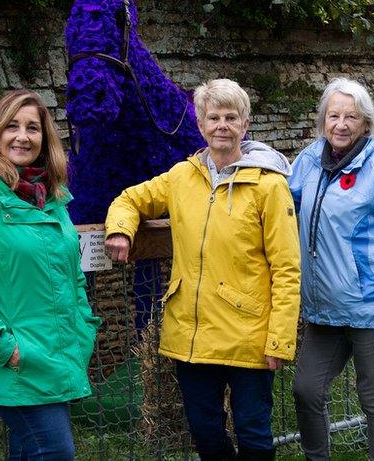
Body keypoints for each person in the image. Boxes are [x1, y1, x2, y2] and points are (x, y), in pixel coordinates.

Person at [104, 79, 301, 461]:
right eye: (214, 117)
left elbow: (287, 267)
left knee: (254, 434)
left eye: (231, 117)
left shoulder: (269, 186)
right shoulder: (181, 177)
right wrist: (120, 231)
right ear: (200, 124)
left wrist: (279, 339)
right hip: (191, 333)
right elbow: (131, 199)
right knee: (206, 432)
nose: (222, 125)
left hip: (249, 335)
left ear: (245, 125)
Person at [0, 89, 101, 460]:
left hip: (57, 353)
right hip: (16, 359)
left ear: (45, 138)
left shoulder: (53, 197)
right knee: (55, 451)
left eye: (32, 128)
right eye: (12, 126)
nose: (22, 136)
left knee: (30, 452)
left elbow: (71, 271)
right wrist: (2, 346)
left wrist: (83, 324)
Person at [289, 78, 374, 461]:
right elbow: (280, 198)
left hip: (372, 311)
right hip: (324, 310)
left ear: (366, 123)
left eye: (351, 116)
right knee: (306, 389)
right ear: (323, 121)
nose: (341, 125)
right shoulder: (309, 162)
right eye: (333, 116)